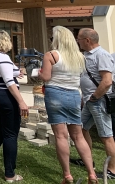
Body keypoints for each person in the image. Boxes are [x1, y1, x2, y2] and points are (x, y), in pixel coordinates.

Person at [38, 26, 97, 184]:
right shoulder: (80, 57)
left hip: (55, 94)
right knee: (78, 136)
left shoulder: (51, 55)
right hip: (74, 95)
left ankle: (67, 175)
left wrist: (38, 73)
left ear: (57, 39)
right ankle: (91, 173)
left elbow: (46, 76)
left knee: (61, 136)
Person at [0, 30, 29, 183]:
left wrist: (16, 71)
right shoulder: (3, 58)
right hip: (6, 97)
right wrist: (21, 101)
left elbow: (1, 73)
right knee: (10, 134)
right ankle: (10, 174)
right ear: (5, 42)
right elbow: (8, 80)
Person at [76, 28, 115, 179]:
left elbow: (107, 81)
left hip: (99, 102)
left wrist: (95, 96)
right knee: (80, 129)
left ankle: (112, 170)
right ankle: (88, 160)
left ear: (87, 40)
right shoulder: (87, 55)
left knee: (106, 136)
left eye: (79, 39)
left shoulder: (102, 55)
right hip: (90, 102)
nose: (77, 41)